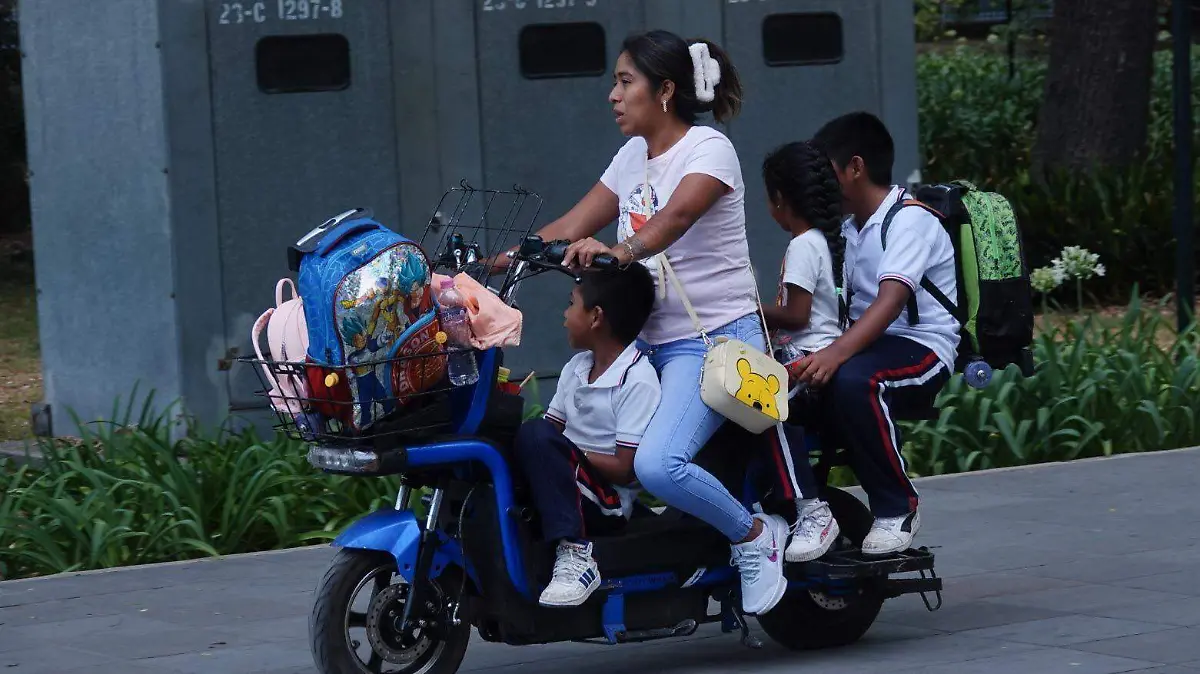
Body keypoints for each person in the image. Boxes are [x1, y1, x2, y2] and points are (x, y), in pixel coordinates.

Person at [495, 30, 801, 616]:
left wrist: (621, 251)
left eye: (625, 81)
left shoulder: (709, 150)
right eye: (615, 81)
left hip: (712, 343)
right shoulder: (632, 156)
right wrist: (499, 261)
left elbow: (678, 216)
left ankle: (754, 538)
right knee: (563, 438)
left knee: (657, 464)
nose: (613, 95)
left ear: (664, 91)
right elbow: (572, 222)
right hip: (648, 346)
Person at [793, 111, 960, 556]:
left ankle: (897, 507)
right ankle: (808, 509)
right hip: (869, 345)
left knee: (855, 380)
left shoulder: (910, 219)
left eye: (827, 171)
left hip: (923, 344)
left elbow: (889, 302)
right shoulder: (850, 229)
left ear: (855, 167)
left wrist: (834, 356)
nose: (821, 185)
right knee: (779, 392)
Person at [513, 264, 659, 607]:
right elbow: (551, 434)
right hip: (572, 478)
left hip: (607, 502)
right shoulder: (576, 368)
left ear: (596, 317)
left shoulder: (637, 379)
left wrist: (568, 452)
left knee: (536, 436)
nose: (564, 316)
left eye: (570, 304)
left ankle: (576, 554)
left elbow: (626, 468)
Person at [757, 140, 845, 562]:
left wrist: (751, 309)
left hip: (810, 367)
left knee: (762, 408)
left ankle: (813, 510)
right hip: (806, 363)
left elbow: (796, 315)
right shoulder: (819, 241)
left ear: (779, 200)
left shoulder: (803, 245)